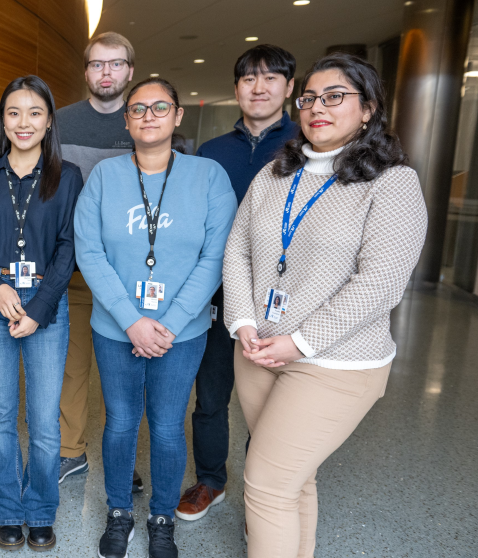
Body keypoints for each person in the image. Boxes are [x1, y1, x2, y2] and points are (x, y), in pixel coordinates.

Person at [223, 52, 427, 558]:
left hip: (335, 362)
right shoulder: (274, 174)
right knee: (296, 481)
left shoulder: (392, 182)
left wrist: (300, 341)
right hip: (259, 351)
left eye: (335, 97)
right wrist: (243, 319)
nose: (318, 107)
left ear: (368, 108)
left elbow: (379, 283)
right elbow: (238, 248)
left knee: (267, 484)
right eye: (310, 97)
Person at [74, 77, 237, 558]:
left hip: (182, 333)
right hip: (115, 327)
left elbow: (215, 257)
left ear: (178, 115)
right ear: (126, 120)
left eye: (159, 106)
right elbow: (90, 251)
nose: (148, 115)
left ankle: (162, 517)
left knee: (167, 425)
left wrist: (169, 322)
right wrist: (131, 321)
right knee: (121, 422)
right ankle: (119, 512)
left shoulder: (208, 176)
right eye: (138, 108)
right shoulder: (105, 177)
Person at [176, 44, 300, 523]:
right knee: (210, 394)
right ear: (236, 89)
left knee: (268, 400)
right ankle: (211, 480)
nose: (259, 87)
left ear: (290, 88)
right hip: (217, 292)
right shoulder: (211, 153)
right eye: (249, 78)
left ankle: (263, 488)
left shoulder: (304, 146)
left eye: (271, 78)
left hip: (278, 299)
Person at [0, 75, 82, 552]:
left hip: (45, 310)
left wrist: (38, 306)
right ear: (2, 120)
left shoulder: (67, 176)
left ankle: (41, 509)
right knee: (1, 416)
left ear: (49, 119)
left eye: (35, 112)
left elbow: (70, 247)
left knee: (46, 420)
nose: (24, 122)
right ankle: (9, 509)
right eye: (14, 112)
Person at [55, 31, 142, 488]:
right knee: (73, 368)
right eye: (96, 64)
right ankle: (71, 452)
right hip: (72, 271)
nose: (105, 72)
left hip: (128, 277)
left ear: (130, 70)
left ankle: (123, 459)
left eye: (116, 64)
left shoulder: (143, 122)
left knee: (124, 372)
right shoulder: (60, 123)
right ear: (86, 71)